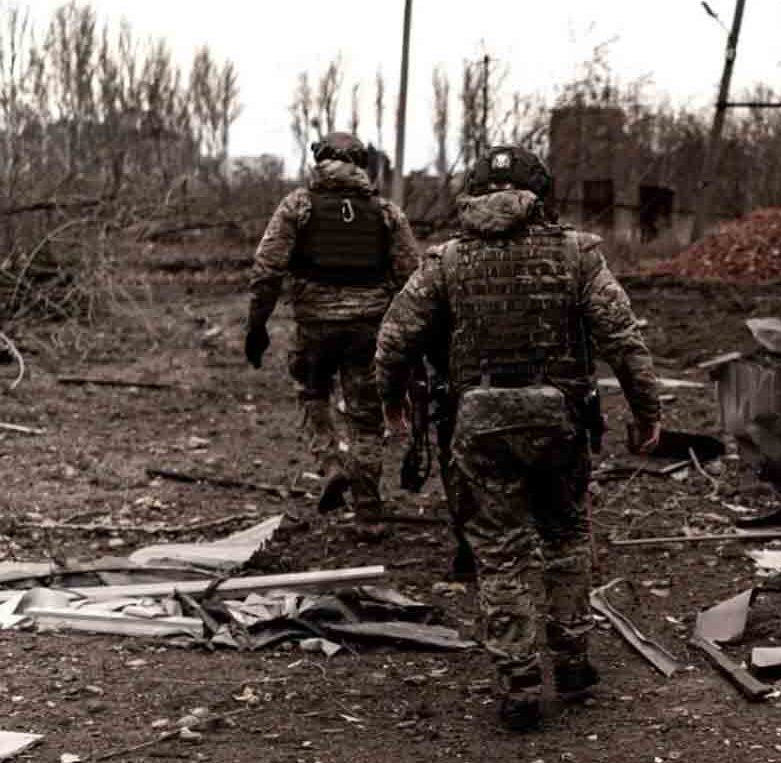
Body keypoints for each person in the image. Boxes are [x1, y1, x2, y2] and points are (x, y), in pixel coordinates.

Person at [375, 145, 662, 732]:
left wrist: (390, 401)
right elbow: (623, 339)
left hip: (478, 423)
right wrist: (645, 411)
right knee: (565, 537)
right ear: (541, 196)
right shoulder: (578, 254)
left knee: (499, 554)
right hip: (559, 420)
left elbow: (394, 338)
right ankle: (574, 661)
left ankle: (520, 685)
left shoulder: (446, 260)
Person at [245, 132, 420, 526]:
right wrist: (410, 339)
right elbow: (414, 279)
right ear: (362, 165)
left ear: (319, 160)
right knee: (365, 418)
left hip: (315, 329)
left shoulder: (298, 206)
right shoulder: (387, 212)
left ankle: (330, 464)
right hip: (368, 331)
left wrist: (256, 326)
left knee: (311, 394)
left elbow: (267, 270)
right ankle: (369, 512)